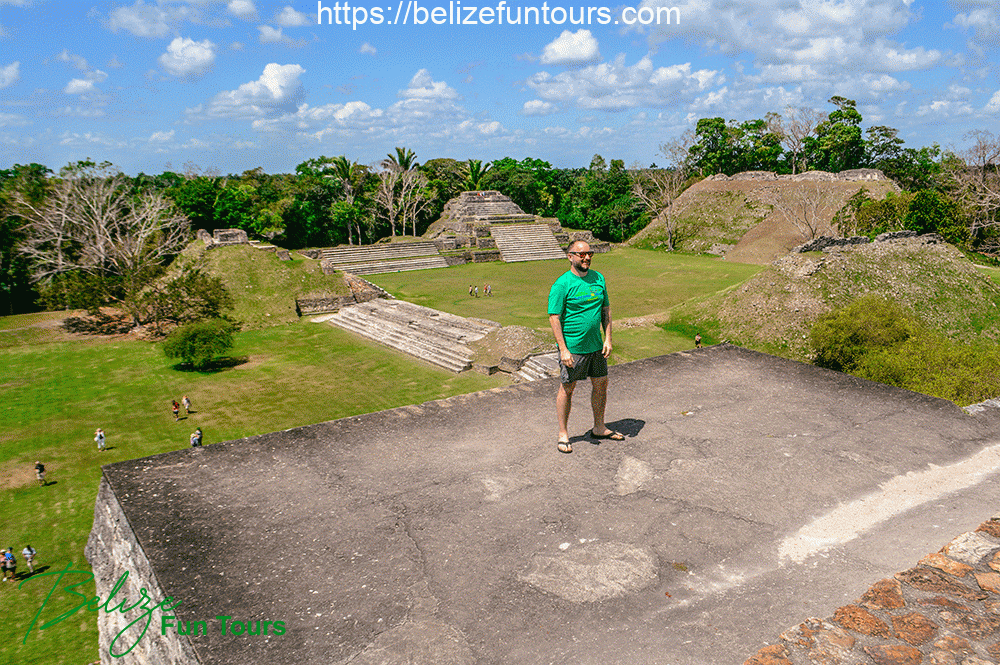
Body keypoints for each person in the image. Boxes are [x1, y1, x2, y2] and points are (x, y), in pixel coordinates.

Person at [548, 240, 624, 453]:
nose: (586, 257)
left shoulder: (599, 278)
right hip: (574, 347)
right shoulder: (562, 284)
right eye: (581, 254)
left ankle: (599, 427)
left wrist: (608, 338)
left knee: (601, 384)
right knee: (568, 388)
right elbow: (554, 317)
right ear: (570, 256)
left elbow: (605, 310)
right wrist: (563, 349)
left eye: (589, 253)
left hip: (596, 346)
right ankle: (563, 433)